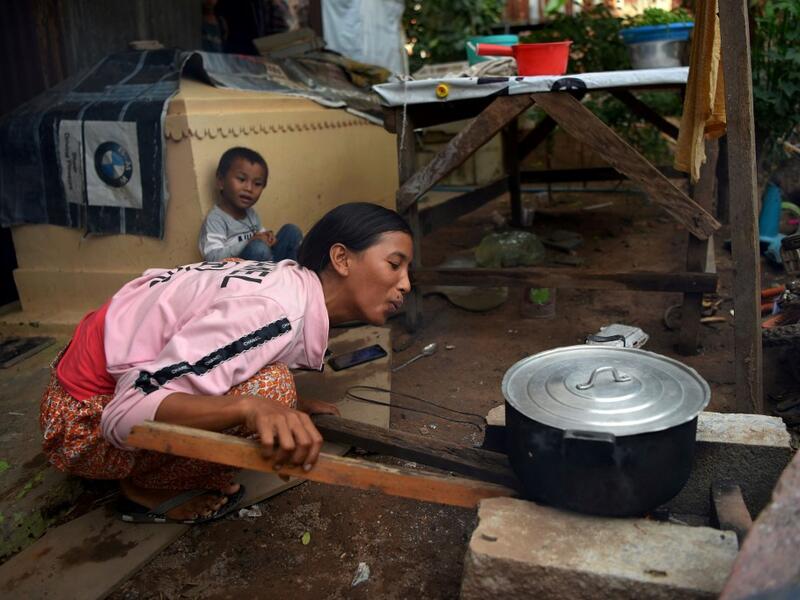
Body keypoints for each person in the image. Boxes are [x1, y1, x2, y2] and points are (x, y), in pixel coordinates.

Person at [41, 202, 412, 524]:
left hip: (98, 377)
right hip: (79, 419)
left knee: (275, 392)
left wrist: (289, 409)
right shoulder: (275, 311)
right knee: (272, 390)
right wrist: (251, 407)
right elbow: (125, 414)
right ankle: (145, 487)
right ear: (342, 259)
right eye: (395, 265)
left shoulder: (287, 281)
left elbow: (224, 353)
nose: (406, 284)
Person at [198, 147, 303, 263]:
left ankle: (293, 274)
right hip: (240, 273)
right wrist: (248, 242)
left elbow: (261, 237)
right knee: (258, 248)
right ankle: (275, 278)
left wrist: (268, 237)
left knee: (291, 231)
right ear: (221, 181)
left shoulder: (251, 213)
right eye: (241, 179)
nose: (249, 188)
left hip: (266, 262)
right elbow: (212, 257)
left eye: (257, 184)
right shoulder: (216, 219)